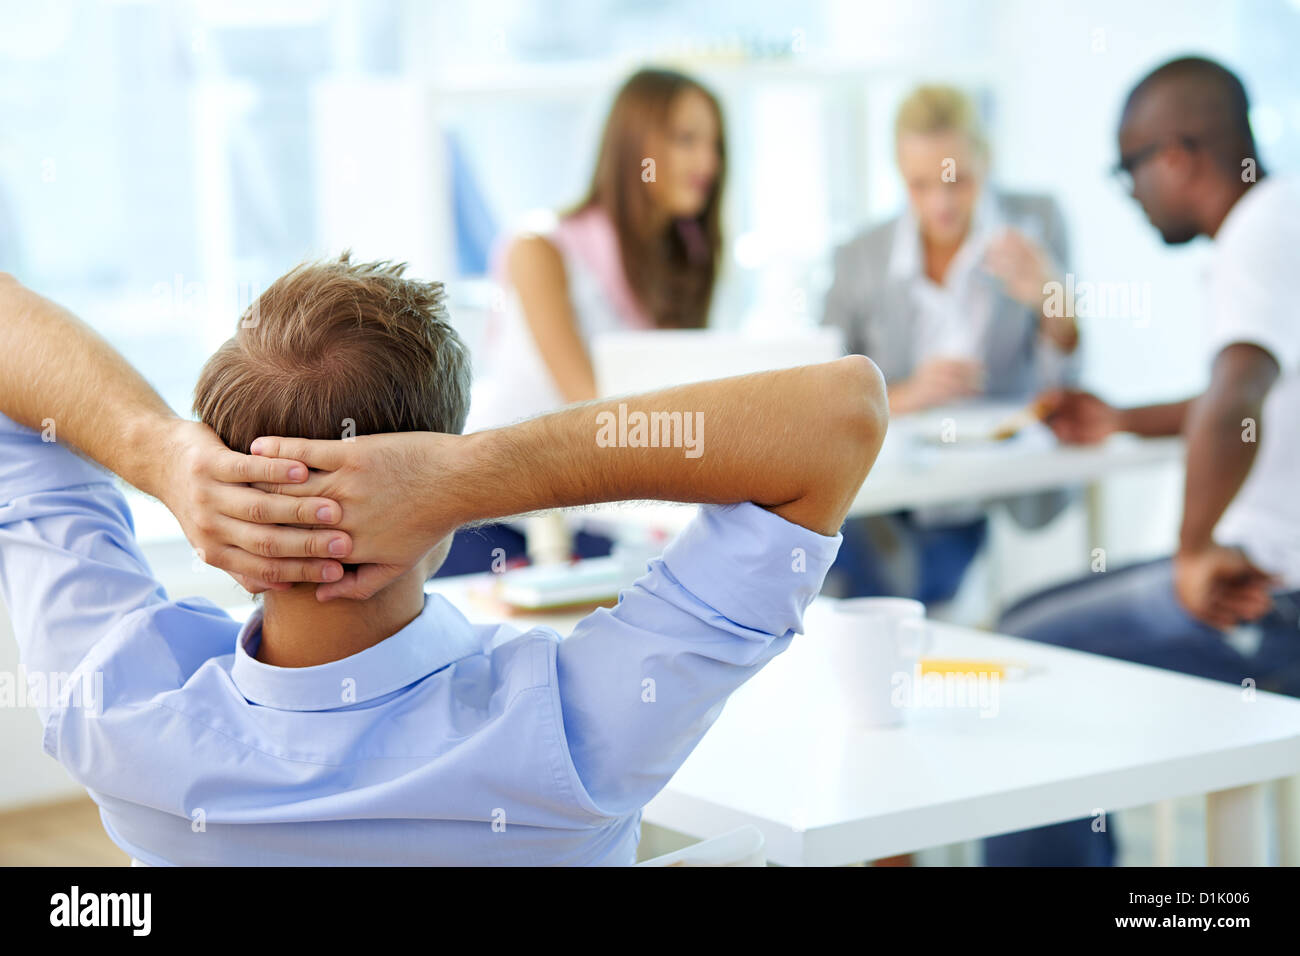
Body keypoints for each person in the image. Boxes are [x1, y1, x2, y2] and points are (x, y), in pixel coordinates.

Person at [0, 256, 887, 865]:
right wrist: (470, 476)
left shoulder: (110, 706)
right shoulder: (575, 739)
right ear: (430, 502)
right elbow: (841, 416)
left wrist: (159, 454)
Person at [984, 56, 1300, 866]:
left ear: (1176, 156)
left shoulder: (1258, 233)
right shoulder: (1282, 217)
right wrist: (1122, 419)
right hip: (1270, 580)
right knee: (1019, 630)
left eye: (1127, 169)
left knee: (1015, 666)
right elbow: (1242, 398)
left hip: (1269, 605)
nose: (1129, 194)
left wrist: (1194, 550)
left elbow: (1237, 394)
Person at [440, 66, 727, 575]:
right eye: (687, 140)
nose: (708, 161)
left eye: (715, 144)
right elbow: (595, 407)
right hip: (494, 522)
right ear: (636, 149)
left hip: (595, 515)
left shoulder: (682, 262)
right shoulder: (540, 250)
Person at [822, 85, 1080, 605]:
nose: (940, 204)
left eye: (957, 180)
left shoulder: (1036, 224)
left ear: (987, 161)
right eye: (919, 185)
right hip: (895, 483)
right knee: (886, 576)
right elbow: (821, 394)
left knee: (908, 585)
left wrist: (1055, 303)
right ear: (898, 172)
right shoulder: (860, 256)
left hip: (992, 475)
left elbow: (1067, 384)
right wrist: (903, 394)